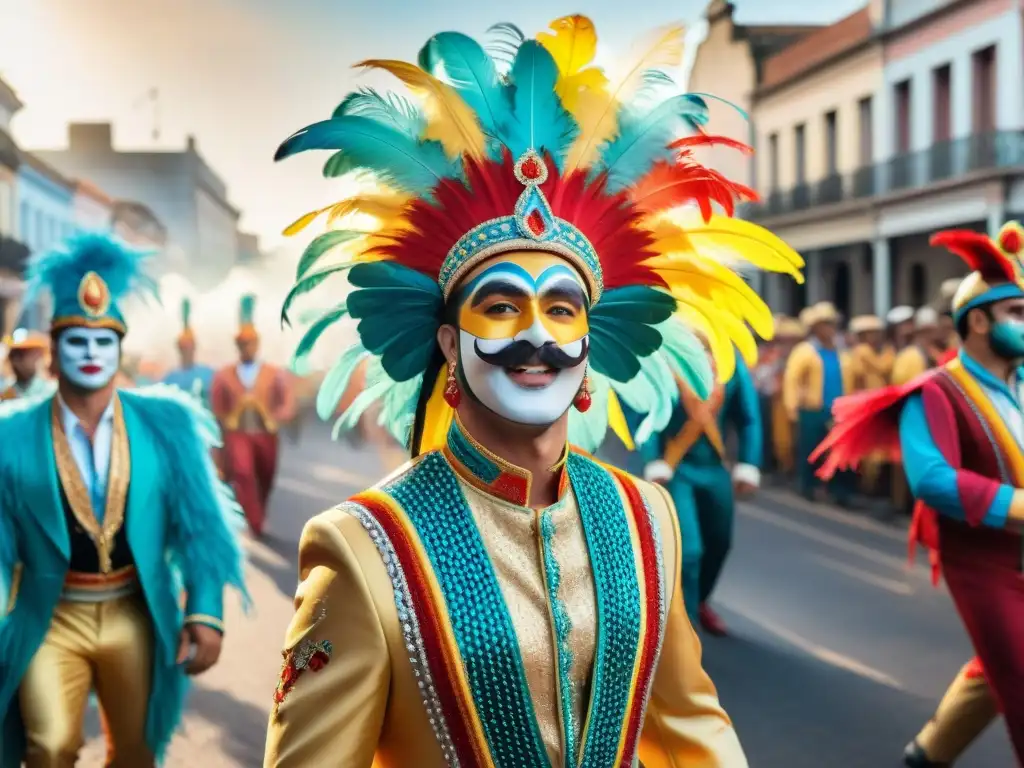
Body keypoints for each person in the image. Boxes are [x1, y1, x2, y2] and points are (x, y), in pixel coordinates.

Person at [263, 15, 806, 766]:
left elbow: (691, 729)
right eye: (499, 305)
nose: (537, 334)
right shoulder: (362, 547)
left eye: (561, 307)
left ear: (589, 341)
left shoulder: (646, 518)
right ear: (449, 342)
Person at [0, 233, 248, 768]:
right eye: (76, 341)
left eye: (102, 342)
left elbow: (202, 531)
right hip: (50, 615)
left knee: (136, 752)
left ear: (119, 349)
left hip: (137, 612)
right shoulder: (10, 435)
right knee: (49, 746)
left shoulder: (168, 424)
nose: (90, 354)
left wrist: (204, 611)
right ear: (54, 350)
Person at [812, 221, 1024, 765]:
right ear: (977, 321)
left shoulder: (1020, 385)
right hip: (983, 561)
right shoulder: (933, 391)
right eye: (1017, 314)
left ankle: (927, 755)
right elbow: (931, 479)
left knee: (997, 662)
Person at [638, 339, 761, 637]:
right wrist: (652, 459)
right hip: (676, 469)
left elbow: (748, 416)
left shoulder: (730, 362)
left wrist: (749, 462)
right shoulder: (667, 358)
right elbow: (648, 411)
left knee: (720, 541)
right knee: (690, 550)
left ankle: (701, 600)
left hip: (715, 468)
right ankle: (685, 630)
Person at [211, 294, 295, 537]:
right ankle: (254, 521)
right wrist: (226, 419)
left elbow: (287, 403)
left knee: (265, 476)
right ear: (237, 346)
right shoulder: (224, 374)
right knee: (243, 473)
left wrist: (275, 416)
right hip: (238, 434)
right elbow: (217, 406)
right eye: (242, 344)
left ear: (257, 344)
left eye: (250, 344)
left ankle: (259, 509)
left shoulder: (273, 372)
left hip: (266, 434)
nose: (246, 348)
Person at [783, 301, 854, 505]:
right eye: (825, 324)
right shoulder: (805, 350)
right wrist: (792, 408)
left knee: (841, 452)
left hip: (840, 410)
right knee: (811, 450)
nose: (829, 329)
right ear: (816, 328)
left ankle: (841, 491)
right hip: (813, 409)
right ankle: (808, 486)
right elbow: (792, 379)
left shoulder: (843, 351)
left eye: (831, 324)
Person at [163, 298, 214, 406]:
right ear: (179, 349)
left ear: (194, 348)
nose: (187, 351)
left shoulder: (207, 374)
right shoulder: (170, 379)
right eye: (184, 348)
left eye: (190, 347)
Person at [0, 327, 54, 401]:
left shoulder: (48, 391)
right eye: (16, 355)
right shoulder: (7, 393)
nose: (15, 360)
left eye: (22, 354)